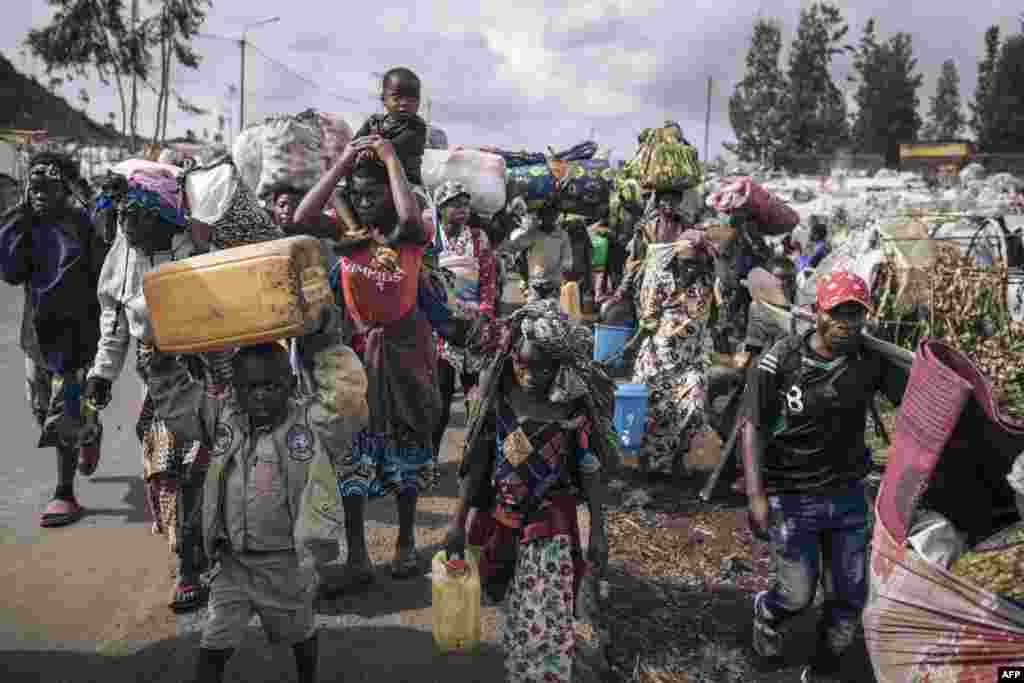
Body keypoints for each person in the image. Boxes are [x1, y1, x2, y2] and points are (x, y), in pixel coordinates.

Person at [148, 308, 368, 683]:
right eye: (250, 388)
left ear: (292, 384)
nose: (260, 396)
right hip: (232, 564)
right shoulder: (223, 420)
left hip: (287, 564)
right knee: (214, 640)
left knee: (300, 631)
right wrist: (161, 359)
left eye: (271, 386)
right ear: (235, 389)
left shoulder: (310, 424)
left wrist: (327, 344)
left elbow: (346, 400)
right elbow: (180, 401)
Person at [742, 271, 906, 683]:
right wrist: (755, 495)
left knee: (849, 598)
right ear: (818, 314)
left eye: (856, 314)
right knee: (796, 595)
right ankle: (767, 612)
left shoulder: (869, 361)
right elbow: (752, 428)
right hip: (792, 494)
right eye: (838, 313)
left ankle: (824, 669)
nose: (848, 323)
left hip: (848, 493)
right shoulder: (781, 361)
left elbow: (914, 397)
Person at [294, 135, 442, 589]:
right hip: (356, 353)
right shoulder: (346, 237)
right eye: (356, 194)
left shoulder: (410, 235)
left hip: (406, 353)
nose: (363, 201)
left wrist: (392, 158)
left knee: (406, 448)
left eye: (372, 193)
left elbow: (410, 212)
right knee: (353, 453)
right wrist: (341, 163)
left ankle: (404, 543)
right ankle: (357, 553)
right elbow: (301, 217)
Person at [444, 299, 614, 683]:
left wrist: (599, 531)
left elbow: (590, 469)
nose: (531, 374)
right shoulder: (498, 402)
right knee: (516, 609)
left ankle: (542, 674)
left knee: (545, 616)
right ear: (512, 357)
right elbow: (477, 465)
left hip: (550, 521)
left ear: (558, 365)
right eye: (523, 363)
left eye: (542, 365)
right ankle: (526, 670)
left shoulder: (571, 409)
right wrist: (457, 523)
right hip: (501, 519)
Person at [85, 166, 220, 612]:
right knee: (164, 474)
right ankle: (187, 557)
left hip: (206, 378)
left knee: (203, 470)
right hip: (157, 384)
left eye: (135, 218)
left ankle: (197, 563)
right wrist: (102, 374)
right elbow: (115, 321)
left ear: (163, 216)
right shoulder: (123, 255)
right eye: (121, 217)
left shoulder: (199, 253)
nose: (125, 227)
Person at [0, 153, 110, 527]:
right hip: (36, 338)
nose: (41, 193)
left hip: (76, 340)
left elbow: (104, 268)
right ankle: (90, 430)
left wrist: (84, 200)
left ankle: (64, 493)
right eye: (35, 186)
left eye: (50, 185)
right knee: (40, 408)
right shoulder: (26, 224)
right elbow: (11, 273)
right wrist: (19, 210)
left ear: (65, 188)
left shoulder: (82, 224)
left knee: (65, 415)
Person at [429, 180, 498, 458]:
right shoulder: (430, 237)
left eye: (465, 204)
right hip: (440, 331)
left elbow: (489, 280)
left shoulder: (479, 238)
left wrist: (484, 315)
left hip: (473, 329)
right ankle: (431, 459)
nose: (462, 209)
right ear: (441, 208)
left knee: (475, 397)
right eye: (455, 204)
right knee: (440, 398)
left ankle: (473, 457)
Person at [332, 67, 429, 236]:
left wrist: (373, 149)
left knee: (416, 202)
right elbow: (355, 144)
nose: (405, 103)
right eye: (397, 98)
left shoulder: (417, 127)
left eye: (412, 99)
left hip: (406, 180)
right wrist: (358, 151)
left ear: (419, 102)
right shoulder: (373, 122)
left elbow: (398, 146)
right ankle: (355, 229)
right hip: (372, 180)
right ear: (383, 100)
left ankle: (396, 236)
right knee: (338, 193)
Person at [498, 199, 574, 303]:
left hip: (554, 285)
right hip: (535, 284)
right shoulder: (533, 234)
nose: (549, 217)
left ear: (556, 216)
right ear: (541, 216)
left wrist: (559, 272)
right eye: (546, 214)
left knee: (551, 315)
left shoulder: (563, 235)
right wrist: (503, 239)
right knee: (532, 313)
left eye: (552, 214)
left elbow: (567, 260)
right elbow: (514, 246)